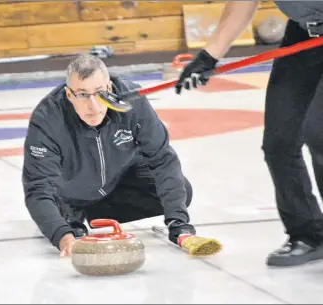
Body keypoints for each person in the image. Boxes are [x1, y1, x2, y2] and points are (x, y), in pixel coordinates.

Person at [22, 54, 221, 257]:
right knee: (52, 206)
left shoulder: (132, 100)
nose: (93, 106)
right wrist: (62, 235)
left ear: (109, 88)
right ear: (69, 95)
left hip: (117, 180)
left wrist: (179, 224)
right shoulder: (47, 118)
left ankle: (89, 214)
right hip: (69, 191)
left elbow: (162, 159)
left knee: (182, 191)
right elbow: (37, 188)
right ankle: (69, 213)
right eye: (82, 94)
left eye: (99, 93)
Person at [175, 1, 323, 267]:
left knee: (319, 132)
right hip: (305, 33)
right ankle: (308, 234)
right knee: (279, 141)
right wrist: (210, 55)